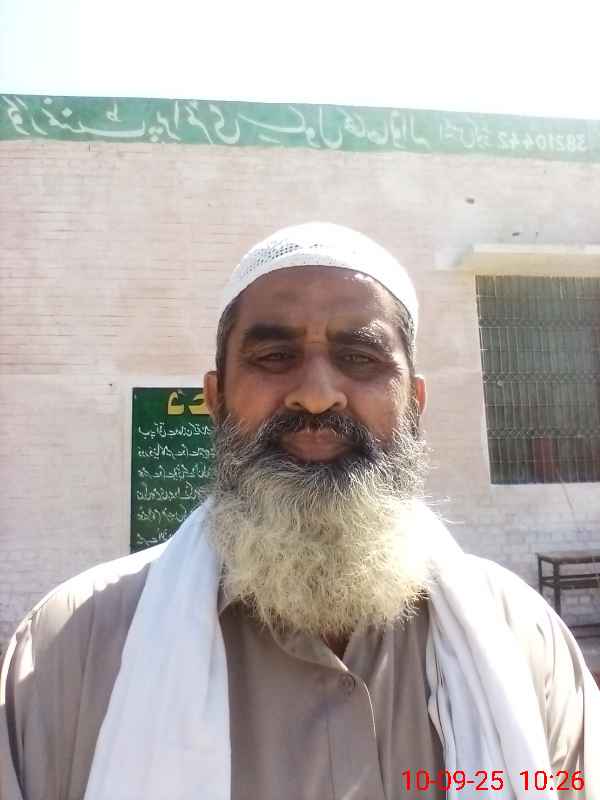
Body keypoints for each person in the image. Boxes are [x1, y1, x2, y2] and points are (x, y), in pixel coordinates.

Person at [1, 222, 598, 800]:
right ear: (215, 400)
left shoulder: (524, 643)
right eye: (274, 356)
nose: (316, 395)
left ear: (414, 406)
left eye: (359, 358)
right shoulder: (67, 654)